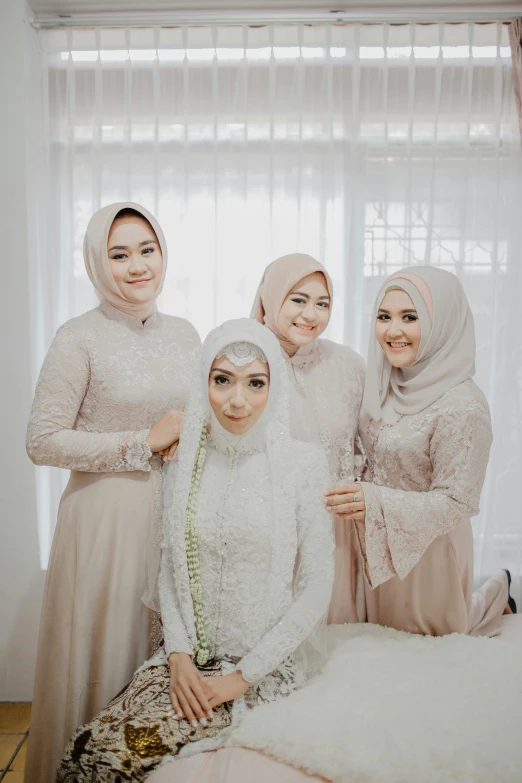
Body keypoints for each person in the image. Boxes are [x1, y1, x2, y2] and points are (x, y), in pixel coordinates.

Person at [56, 317, 334, 783]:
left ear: (276, 388)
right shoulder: (187, 459)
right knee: (83, 751)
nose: (236, 399)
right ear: (203, 380)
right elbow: (170, 567)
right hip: (184, 663)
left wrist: (239, 678)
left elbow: (317, 583)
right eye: (222, 380)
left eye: (255, 383)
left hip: (256, 675)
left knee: (112, 759)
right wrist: (179, 658)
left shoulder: (303, 466)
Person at [25, 203, 200, 783]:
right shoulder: (77, 337)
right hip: (103, 521)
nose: (136, 266)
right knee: (102, 656)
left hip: (171, 515)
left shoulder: (184, 333)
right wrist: (141, 442)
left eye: (146, 249)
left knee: (159, 663)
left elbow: (191, 418)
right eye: (118, 254)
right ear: (97, 263)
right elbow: (42, 440)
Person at [325, 266, 511, 635]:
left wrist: (374, 501)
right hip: (373, 542)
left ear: (442, 321)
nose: (392, 331)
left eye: (410, 317)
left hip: (430, 555)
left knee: (430, 642)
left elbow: (458, 502)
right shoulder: (384, 382)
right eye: (384, 316)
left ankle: (497, 594)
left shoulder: (464, 406)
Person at [251, 253, 365, 623]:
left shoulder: (347, 364)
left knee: (336, 646)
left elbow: (363, 443)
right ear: (271, 297)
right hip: (268, 529)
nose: (311, 314)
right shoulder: (244, 361)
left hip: (334, 528)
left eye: (322, 303)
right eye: (298, 299)